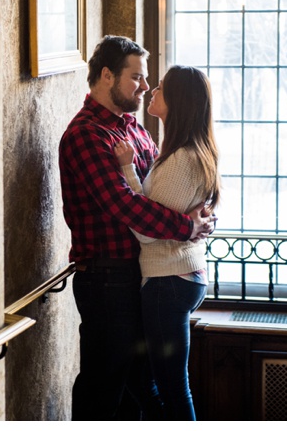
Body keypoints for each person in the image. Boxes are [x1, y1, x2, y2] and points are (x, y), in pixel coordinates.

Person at [59, 36, 215, 421]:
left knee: (140, 388)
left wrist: (198, 215)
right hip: (106, 276)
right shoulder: (86, 135)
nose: (146, 87)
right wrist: (186, 226)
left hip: (143, 273)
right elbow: (126, 205)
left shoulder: (133, 128)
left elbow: (159, 195)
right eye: (137, 78)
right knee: (105, 383)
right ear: (107, 75)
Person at [113, 65, 220, 420]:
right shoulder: (182, 152)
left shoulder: (181, 160)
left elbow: (147, 229)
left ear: (178, 101)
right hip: (177, 277)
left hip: (169, 282)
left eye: (159, 87)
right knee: (148, 379)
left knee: (172, 387)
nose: (151, 91)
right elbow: (160, 214)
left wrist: (127, 170)